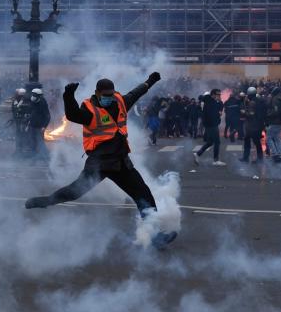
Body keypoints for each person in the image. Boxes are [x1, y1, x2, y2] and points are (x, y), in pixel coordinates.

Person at [25, 72, 177, 249]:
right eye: (105, 95)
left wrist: (149, 82)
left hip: (121, 163)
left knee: (144, 196)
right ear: (97, 93)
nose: (109, 98)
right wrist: (68, 96)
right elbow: (74, 115)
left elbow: (135, 93)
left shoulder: (119, 102)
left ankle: (155, 237)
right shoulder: (89, 110)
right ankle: (45, 202)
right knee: (74, 192)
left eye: (111, 94)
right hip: (99, 164)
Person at [195, 89, 226, 166]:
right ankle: (216, 160)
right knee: (217, 142)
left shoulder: (214, 102)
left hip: (211, 124)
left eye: (220, 95)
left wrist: (220, 103)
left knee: (210, 142)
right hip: (211, 124)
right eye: (217, 95)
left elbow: (218, 111)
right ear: (213, 95)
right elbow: (212, 113)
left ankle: (198, 154)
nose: (219, 96)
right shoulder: (209, 100)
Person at [26, 87, 51, 160]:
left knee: (40, 142)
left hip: (40, 126)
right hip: (32, 125)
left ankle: (45, 157)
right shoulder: (32, 101)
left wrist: (44, 126)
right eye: (33, 94)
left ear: (39, 96)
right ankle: (34, 157)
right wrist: (28, 121)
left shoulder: (43, 103)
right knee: (33, 142)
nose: (33, 96)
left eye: (35, 95)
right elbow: (33, 113)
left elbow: (48, 116)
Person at [240, 87, 263, 163]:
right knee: (256, 143)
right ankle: (259, 158)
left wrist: (244, 112)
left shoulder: (252, 102)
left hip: (252, 126)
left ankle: (246, 158)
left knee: (249, 142)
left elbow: (251, 114)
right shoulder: (258, 101)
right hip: (257, 125)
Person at [266, 87, 281, 163]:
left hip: (274, 122)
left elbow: (276, 111)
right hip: (280, 122)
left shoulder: (275, 100)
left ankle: (275, 154)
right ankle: (280, 154)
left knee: (269, 138)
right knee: (277, 138)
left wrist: (268, 114)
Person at [10, 88, 30, 155]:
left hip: (24, 121)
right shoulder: (15, 101)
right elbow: (13, 110)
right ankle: (18, 149)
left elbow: (27, 111)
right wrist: (14, 118)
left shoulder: (26, 101)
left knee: (24, 136)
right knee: (18, 136)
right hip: (17, 121)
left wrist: (25, 119)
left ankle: (23, 150)